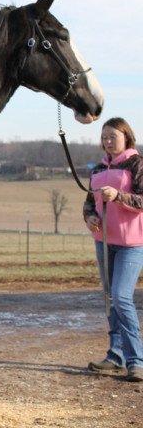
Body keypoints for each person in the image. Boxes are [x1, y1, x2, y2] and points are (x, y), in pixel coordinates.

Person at [83, 117, 143, 382]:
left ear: (126, 137)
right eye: (104, 137)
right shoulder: (96, 170)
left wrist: (118, 196)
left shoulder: (137, 164)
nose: (108, 142)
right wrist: (90, 218)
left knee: (121, 297)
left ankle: (136, 360)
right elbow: (88, 204)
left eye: (113, 137)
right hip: (104, 242)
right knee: (110, 299)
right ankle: (115, 356)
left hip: (132, 245)